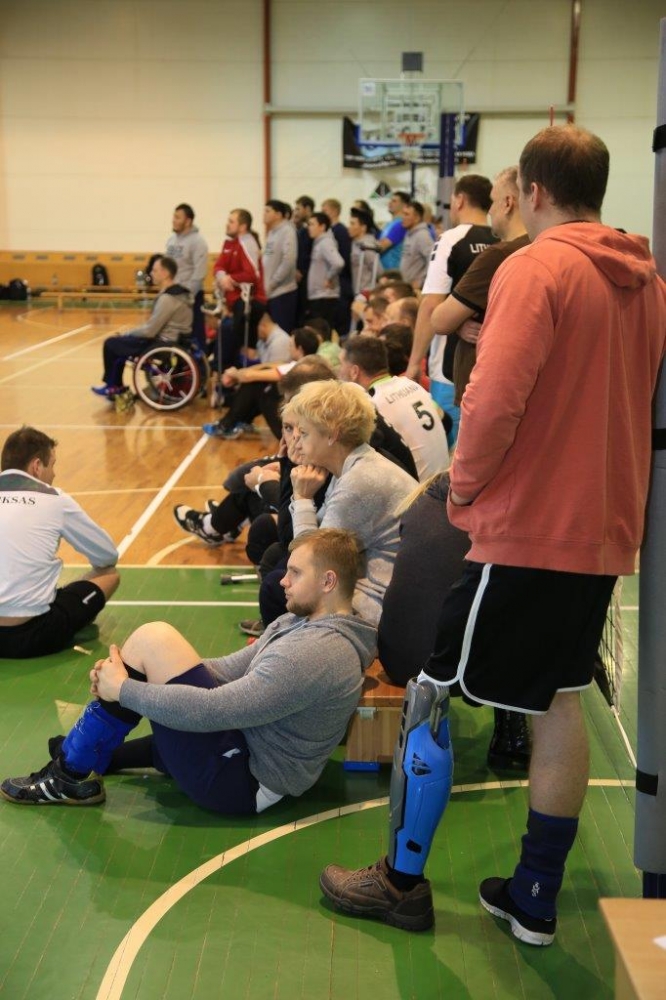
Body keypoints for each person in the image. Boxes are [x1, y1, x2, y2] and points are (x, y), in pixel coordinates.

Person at [319, 125, 666, 941]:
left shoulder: (535, 267)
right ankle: (533, 896)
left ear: (532, 191)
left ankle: (400, 883)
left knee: (431, 693)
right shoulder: (648, 281)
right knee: (559, 700)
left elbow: (494, 400)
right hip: (603, 528)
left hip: (526, 527)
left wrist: (465, 488)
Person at [1, 530, 377, 813]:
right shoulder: (300, 624)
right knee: (152, 649)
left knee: (154, 639)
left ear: (328, 581)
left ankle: (70, 773)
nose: (283, 580)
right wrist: (142, 672)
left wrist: (125, 689)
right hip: (242, 746)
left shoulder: (318, 653)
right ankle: (84, 758)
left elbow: (214, 710)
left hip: (241, 784)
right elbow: (227, 670)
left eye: (294, 572)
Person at [377, 472, 530, 769]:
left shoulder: (421, 500)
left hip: (395, 657)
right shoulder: (494, 510)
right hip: (446, 669)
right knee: (524, 609)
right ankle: (511, 739)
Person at [0, 427, 119, 659]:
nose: (54, 474)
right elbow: (107, 556)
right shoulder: (55, 498)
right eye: (52, 465)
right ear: (36, 466)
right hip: (31, 636)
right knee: (109, 575)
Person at [407, 175, 496, 443]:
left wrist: (414, 363)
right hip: (493, 364)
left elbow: (430, 305)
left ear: (459, 200)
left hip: (451, 370)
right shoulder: (504, 241)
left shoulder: (452, 239)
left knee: (451, 451)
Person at [430, 167, 529, 405]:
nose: (490, 210)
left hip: (484, 388)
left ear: (508, 203)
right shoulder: (543, 246)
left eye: (493, 202)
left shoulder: (497, 255)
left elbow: (439, 319)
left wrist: (457, 322)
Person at [339, 335, 448, 481]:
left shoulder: (371, 405)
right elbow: (446, 421)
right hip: (444, 480)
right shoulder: (411, 384)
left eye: (340, 364)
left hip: (419, 489)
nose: (338, 371)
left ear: (354, 372)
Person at [91, 256, 192, 397]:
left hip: (163, 343)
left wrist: (128, 333)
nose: (151, 273)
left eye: (154, 270)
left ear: (165, 273)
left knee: (112, 343)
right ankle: (115, 384)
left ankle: (113, 386)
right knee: (119, 344)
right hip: (175, 340)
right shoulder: (181, 293)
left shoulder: (168, 298)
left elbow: (150, 331)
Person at [202, 309, 292, 439]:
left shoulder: (281, 344)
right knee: (256, 385)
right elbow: (266, 367)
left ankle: (227, 424)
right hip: (284, 396)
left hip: (286, 408)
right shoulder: (268, 343)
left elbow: (268, 373)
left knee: (258, 386)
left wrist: (237, 376)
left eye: (292, 345)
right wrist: (239, 374)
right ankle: (238, 421)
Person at [165, 203, 209, 348]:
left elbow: (199, 273)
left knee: (195, 337)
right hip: (172, 297)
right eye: (174, 216)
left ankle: (199, 360)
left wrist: (187, 297)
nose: (173, 220)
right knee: (174, 337)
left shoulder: (198, 242)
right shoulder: (171, 241)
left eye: (178, 217)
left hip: (191, 298)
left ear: (188, 221)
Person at [262, 200, 298, 333]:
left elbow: (288, 261)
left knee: (281, 332)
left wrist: (273, 282)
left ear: (278, 214)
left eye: (268, 211)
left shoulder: (288, 231)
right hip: (270, 292)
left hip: (282, 292)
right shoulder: (272, 233)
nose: (264, 214)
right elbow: (267, 258)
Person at [306, 212, 345, 328]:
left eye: (312, 224)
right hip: (319, 296)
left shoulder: (326, 243)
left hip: (324, 297)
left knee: (322, 331)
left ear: (322, 227)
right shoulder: (319, 243)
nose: (309, 228)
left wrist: (328, 278)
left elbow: (338, 263)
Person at [399, 201, 435, 290]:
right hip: (406, 286)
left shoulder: (422, 236)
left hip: (416, 290)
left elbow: (433, 260)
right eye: (403, 214)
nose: (402, 217)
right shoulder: (409, 234)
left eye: (406, 214)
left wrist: (421, 282)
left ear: (417, 218)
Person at [378, 191, 411, 270]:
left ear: (404, 205)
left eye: (394, 201)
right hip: (383, 271)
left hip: (393, 271)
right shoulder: (388, 225)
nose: (390, 203)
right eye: (390, 200)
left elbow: (381, 246)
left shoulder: (401, 224)